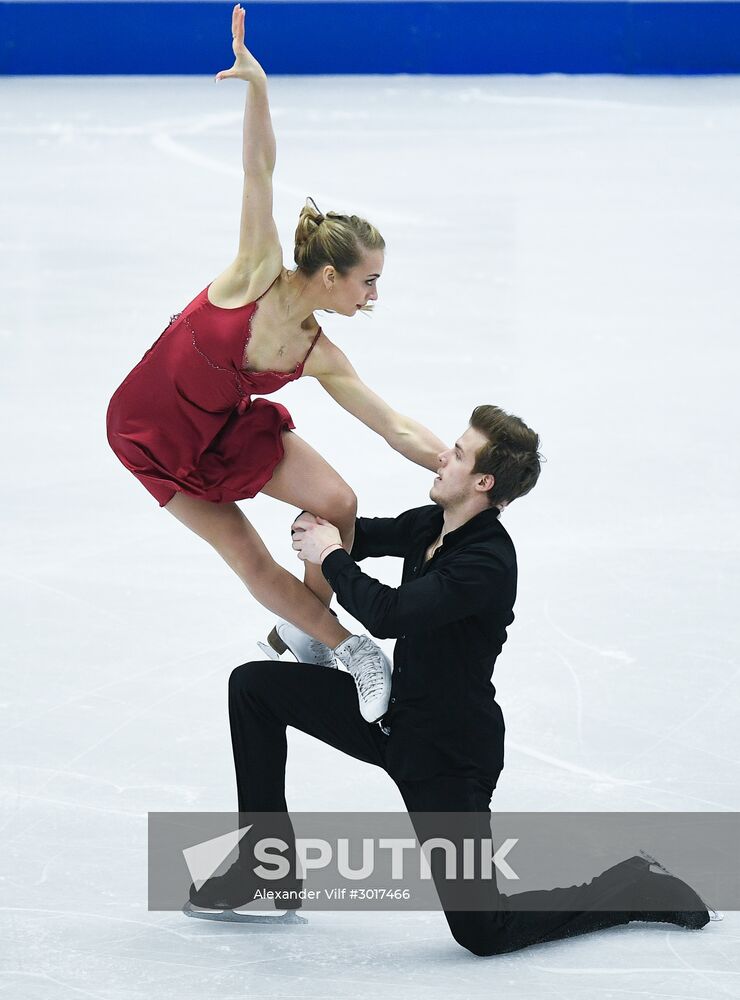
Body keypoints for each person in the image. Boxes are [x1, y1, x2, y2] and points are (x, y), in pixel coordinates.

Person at [190, 404, 712, 955]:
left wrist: (332, 559)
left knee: (483, 932)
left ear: (484, 483)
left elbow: (388, 613)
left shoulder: (487, 563)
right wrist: (314, 517)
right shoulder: (432, 524)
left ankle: (631, 885)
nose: (442, 456)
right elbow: (353, 533)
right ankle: (265, 869)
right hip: (389, 716)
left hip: (447, 754)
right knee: (253, 687)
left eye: (458, 454)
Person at [105, 4, 446, 721]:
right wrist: (258, 86)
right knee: (251, 559)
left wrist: (460, 473)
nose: (375, 294)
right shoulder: (254, 273)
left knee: (339, 504)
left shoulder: (319, 352)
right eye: (368, 281)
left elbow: (393, 426)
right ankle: (352, 648)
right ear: (329, 277)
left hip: (226, 430)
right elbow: (258, 169)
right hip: (151, 435)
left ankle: (305, 631)